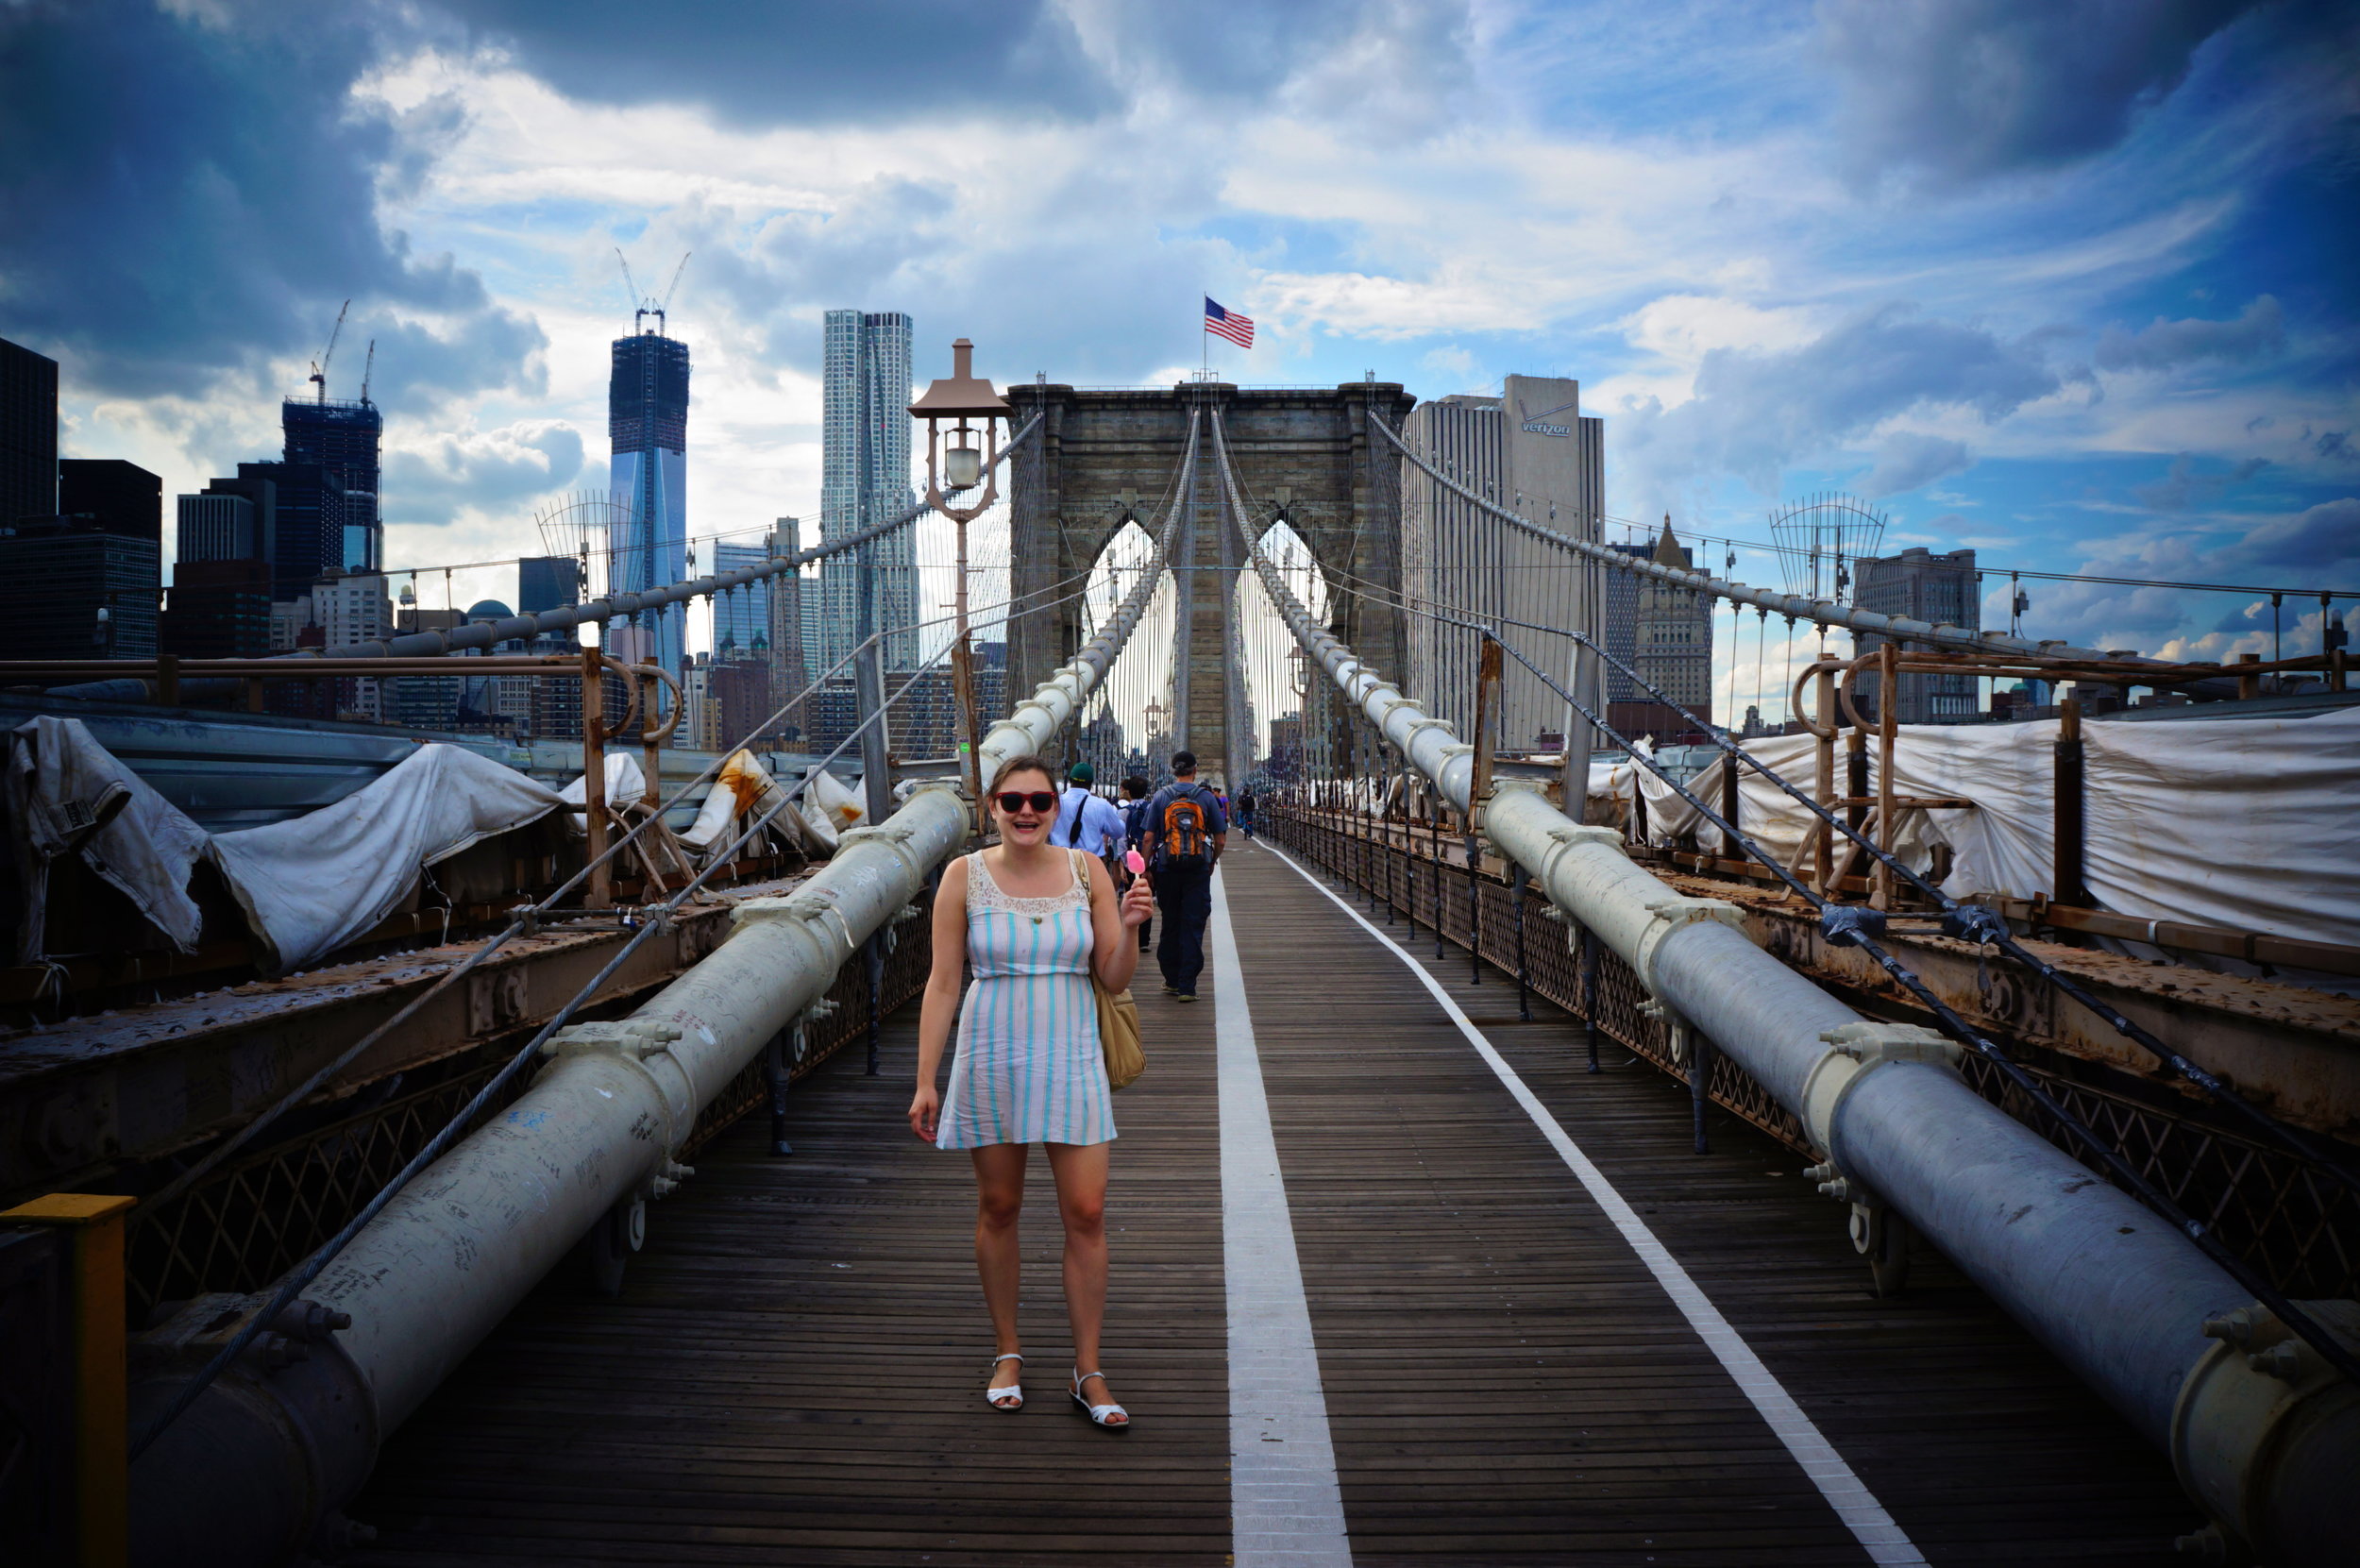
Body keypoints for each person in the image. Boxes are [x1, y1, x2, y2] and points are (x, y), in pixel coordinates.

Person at [909, 754, 1155, 1428]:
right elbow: (943, 982)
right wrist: (927, 1079)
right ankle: (1008, 1351)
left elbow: (1112, 976)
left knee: (1088, 1211)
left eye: (1039, 801)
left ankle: (1088, 1369)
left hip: (1071, 1053)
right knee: (999, 1206)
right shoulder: (962, 876)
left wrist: (1131, 925)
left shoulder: (1088, 870)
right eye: (1012, 800)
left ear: (1055, 807)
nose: (1026, 812)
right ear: (991, 806)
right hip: (992, 1053)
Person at [1138, 750, 1226, 1003]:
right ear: (1195, 770)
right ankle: (1188, 986)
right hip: (1197, 869)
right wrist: (1212, 860)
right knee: (1193, 924)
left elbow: (1148, 837)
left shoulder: (1160, 796)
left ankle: (1171, 980)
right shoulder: (1206, 797)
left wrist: (1145, 868)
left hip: (1167, 869)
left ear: (1173, 770)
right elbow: (1220, 839)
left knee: (1170, 923)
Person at [1051, 760, 1129, 869]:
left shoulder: (1055, 803)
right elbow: (1118, 832)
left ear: (1070, 780)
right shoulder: (1101, 805)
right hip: (1090, 866)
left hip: (1059, 863)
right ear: (1091, 783)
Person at [1120, 775, 1155, 953]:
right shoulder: (1152, 809)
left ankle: (1131, 936)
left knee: (1132, 897)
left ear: (1129, 791)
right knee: (1147, 896)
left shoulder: (1123, 811)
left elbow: (1120, 839)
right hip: (1148, 860)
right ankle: (1144, 940)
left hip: (1131, 859)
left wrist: (1123, 863)